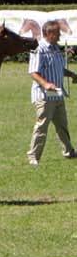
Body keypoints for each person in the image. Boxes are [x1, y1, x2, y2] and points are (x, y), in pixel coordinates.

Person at [27, 19, 77, 166]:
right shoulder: (39, 49)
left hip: (58, 94)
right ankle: (33, 156)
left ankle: (69, 151)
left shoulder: (56, 49)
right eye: (57, 33)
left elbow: (59, 69)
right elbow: (33, 72)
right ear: (48, 33)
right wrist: (45, 84)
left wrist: (72, 75)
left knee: (62, 125)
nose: (60, 36)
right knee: (42, 126)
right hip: (44, 96)